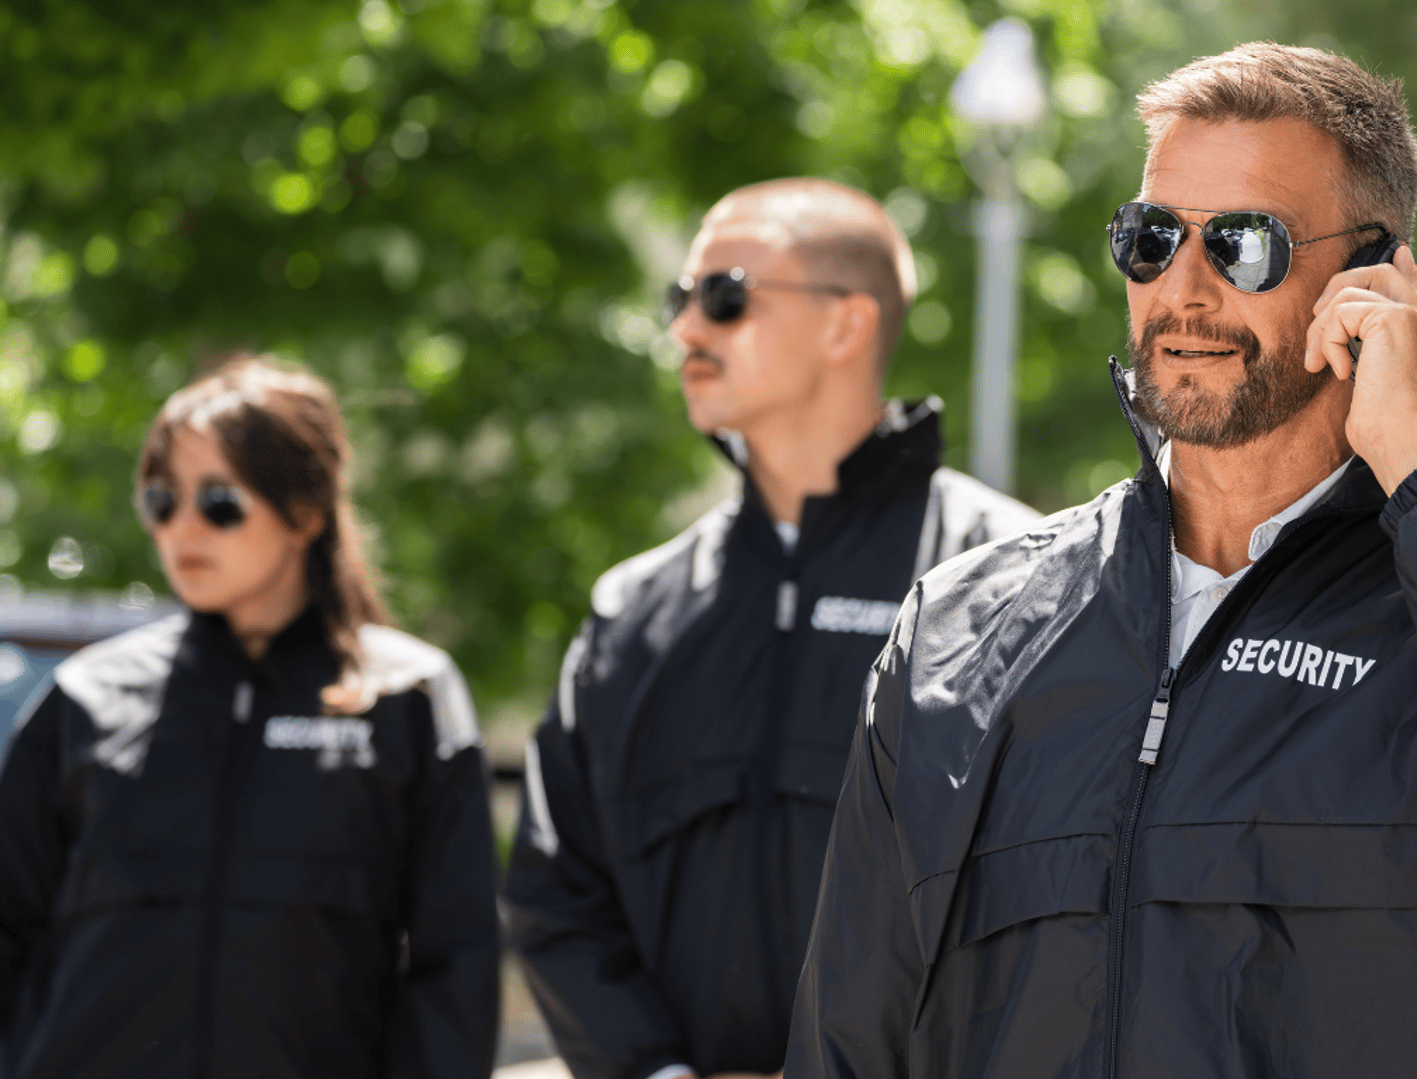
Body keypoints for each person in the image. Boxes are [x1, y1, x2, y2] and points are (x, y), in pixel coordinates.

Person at [786, 43, 1417, 1079]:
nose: (1182, 287)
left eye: (1241, 243)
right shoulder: (960, 626)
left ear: (1373, 282)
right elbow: (848, 1032)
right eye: (1149, 239)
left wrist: (1415, 449)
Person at [502, 178, 1038, 1079]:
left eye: (725, 296)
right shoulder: (630, 611)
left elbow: (1053, 899)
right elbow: (559, 889)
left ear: (845, 325)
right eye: (681, 299)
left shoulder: (1014, 579)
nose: (686, 330)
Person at [0, 357, 500, 1078]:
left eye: (220, 502)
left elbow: (455, 967)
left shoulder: (404, 700)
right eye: (161, 500)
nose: (182, 528)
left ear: (305, 512)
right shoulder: (85, 696)